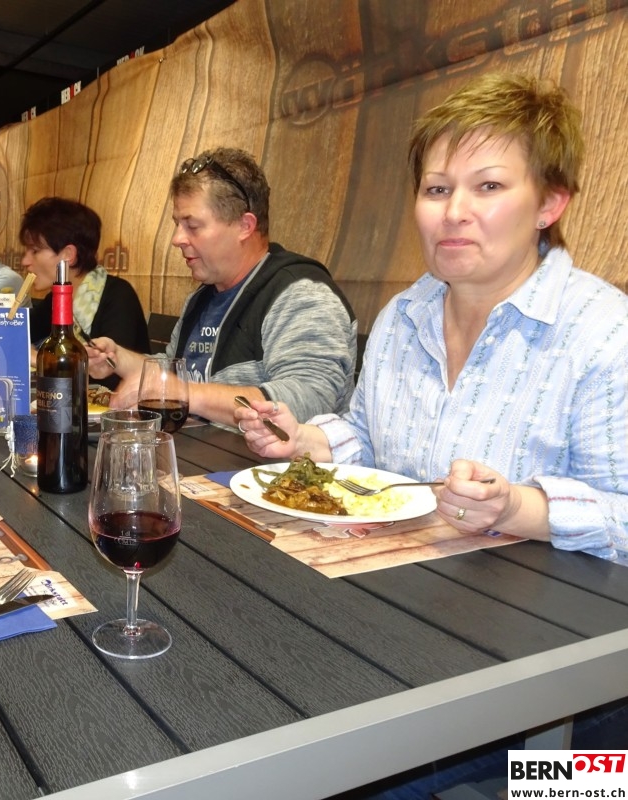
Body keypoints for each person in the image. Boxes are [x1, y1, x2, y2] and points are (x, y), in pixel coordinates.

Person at [236, 74, 628, 796]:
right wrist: (307, 444)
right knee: (250, 705)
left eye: (488, 187)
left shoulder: (604, 334)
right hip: (407, 637)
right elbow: (368, 436)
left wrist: (520, 508)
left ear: (549, 203)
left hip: (572, 711)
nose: (453, 213)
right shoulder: (401, 316)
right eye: (437, 189)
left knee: (348, 782)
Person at [87, 147, 356, 425]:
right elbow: (174, 375)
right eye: (177, 224)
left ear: (244, 226)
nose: (177, 239)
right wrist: (117, 358)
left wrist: (186, 394)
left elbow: (309, 399)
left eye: (192, 226)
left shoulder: (300, 293)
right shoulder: (203, 297)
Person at [21, 197, 150, 391]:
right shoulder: (56, 300)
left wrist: (39, 358)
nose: (25, 261)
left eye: (34, 251)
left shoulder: (118, 296)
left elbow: (109, 375)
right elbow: (23, 332)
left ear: (68, 255)